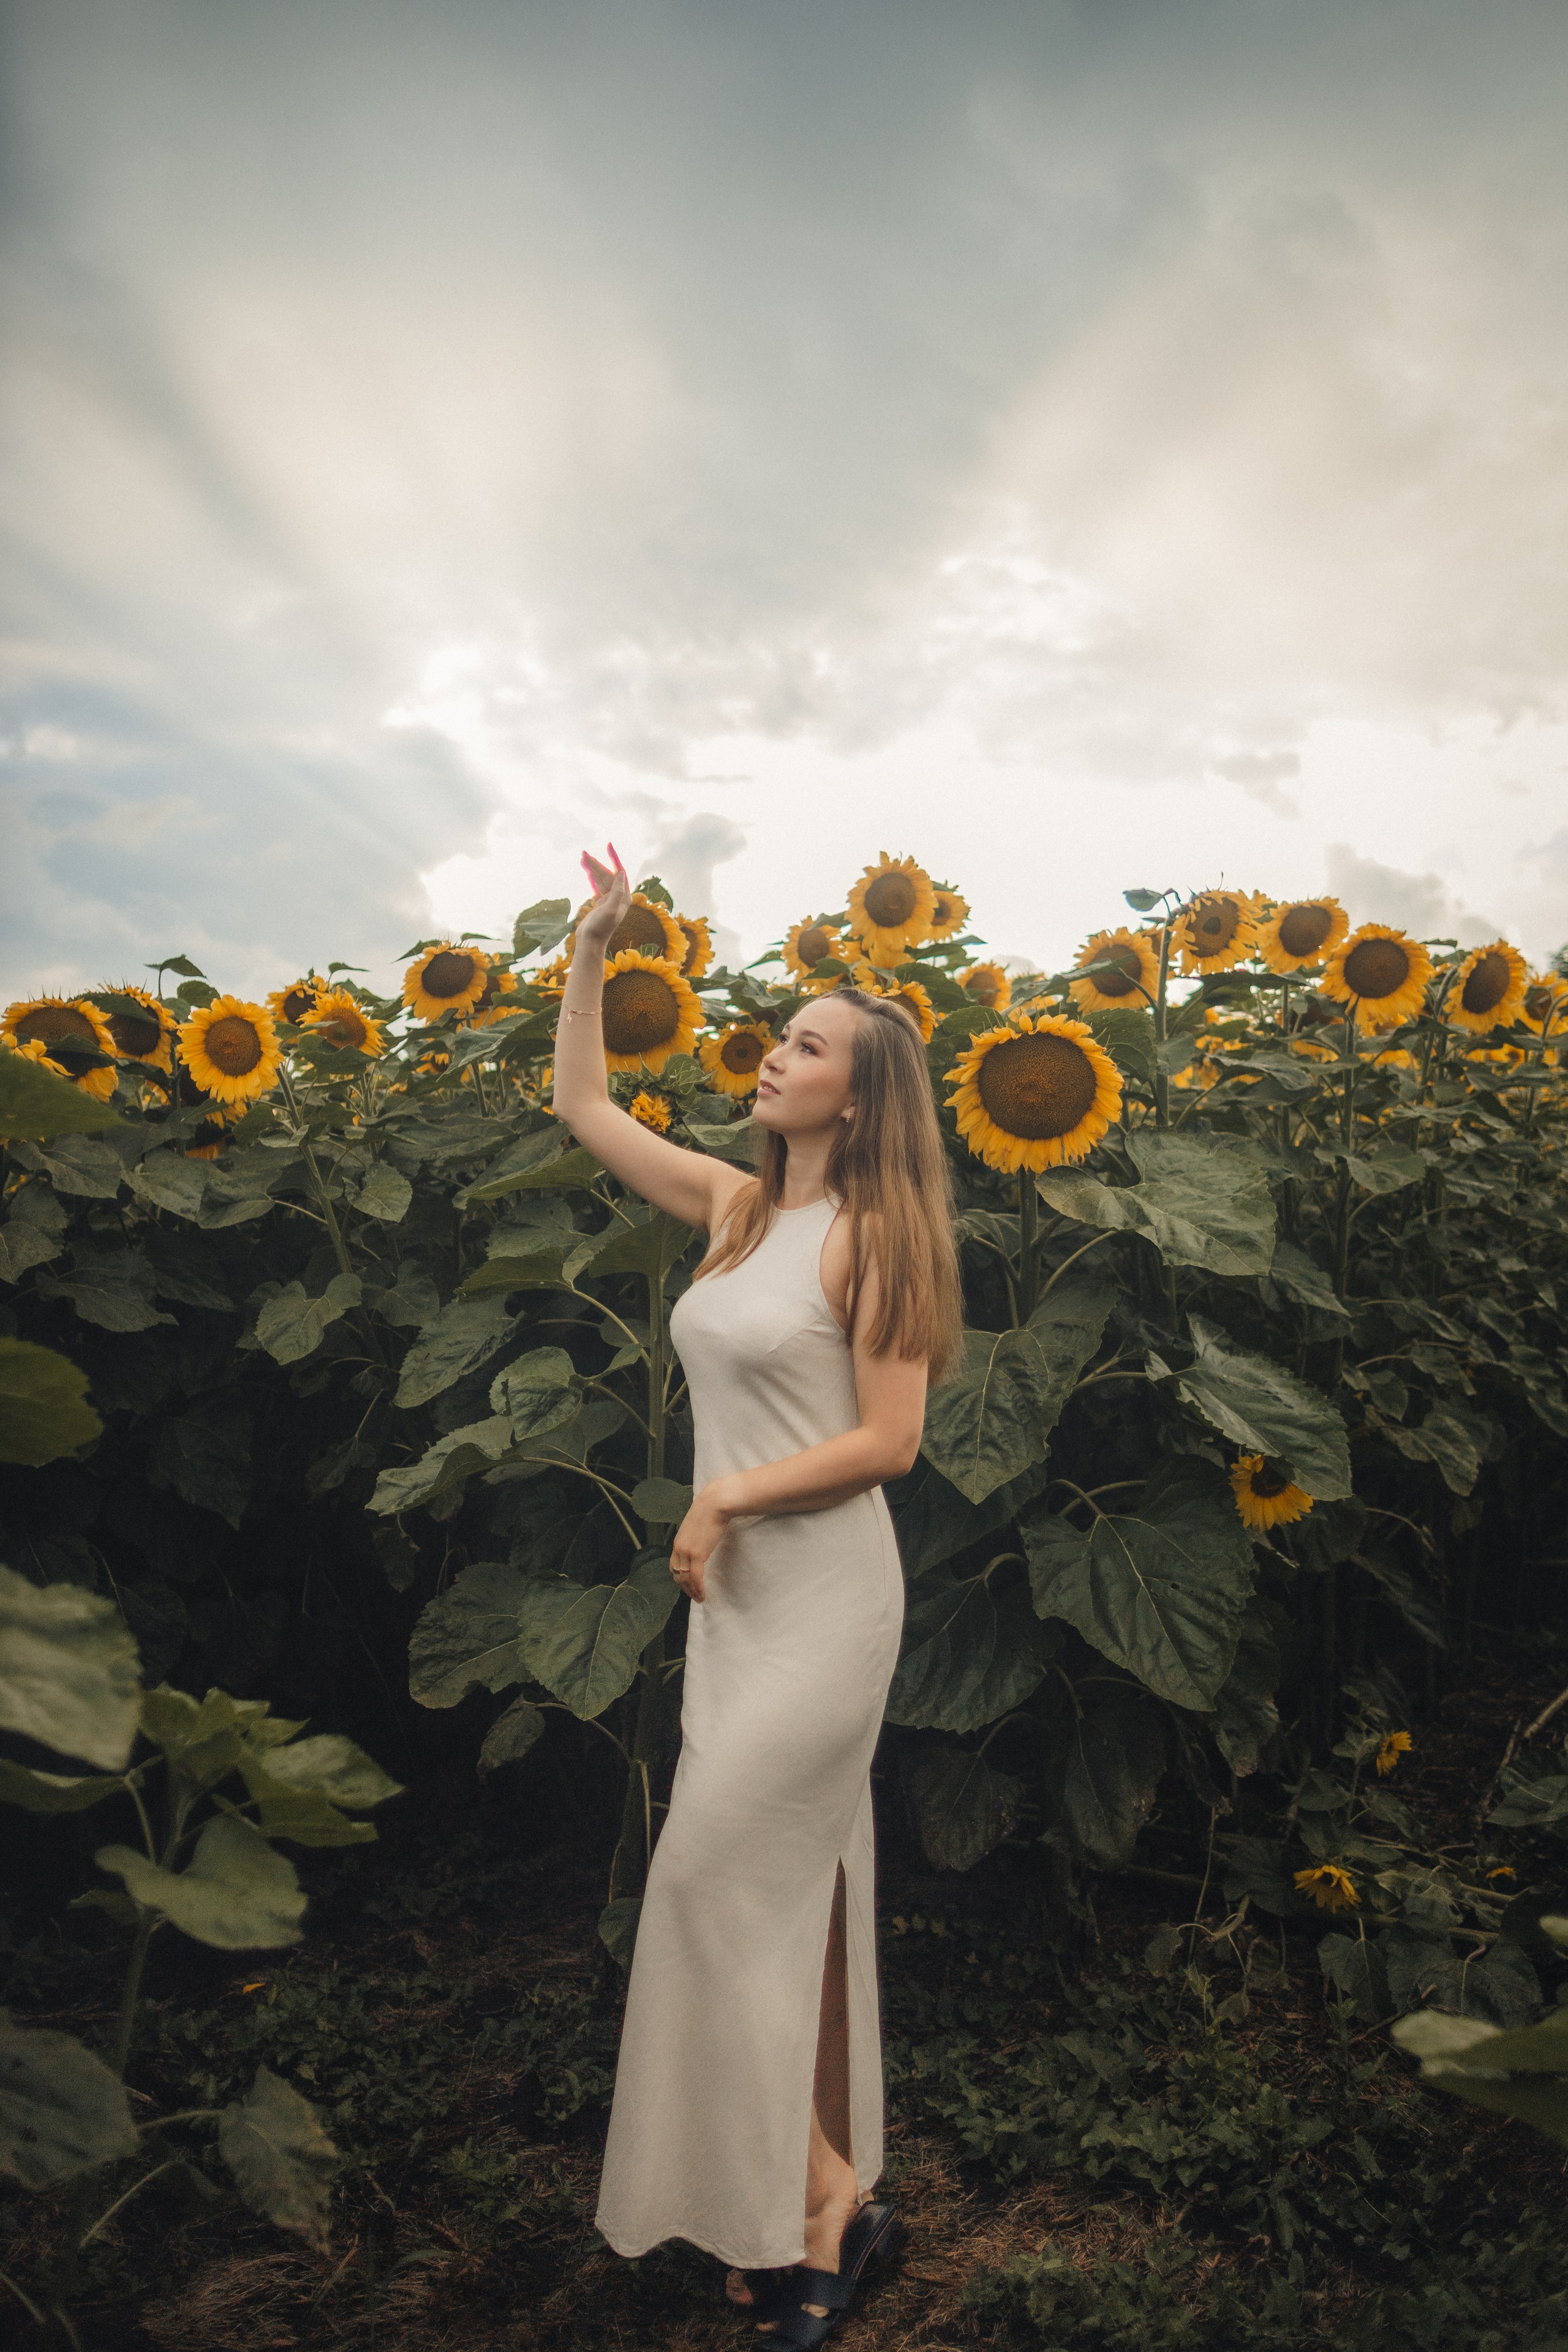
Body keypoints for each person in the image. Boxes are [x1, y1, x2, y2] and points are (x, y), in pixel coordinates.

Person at [553, 846, 962, 2346]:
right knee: (775, 1896)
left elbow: (889, 1443)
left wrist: (721, 1491)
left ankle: (818, 2206)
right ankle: (814, 2199)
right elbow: (585, 1107)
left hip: (824, 1607)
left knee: (710, 1887)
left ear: (854, 1099)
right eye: (781, 1036)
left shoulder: (880, 1237)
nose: (771, 1055)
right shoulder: (734, 1211)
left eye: (802, 1047)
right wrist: (596, 952)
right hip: (732, 1612)